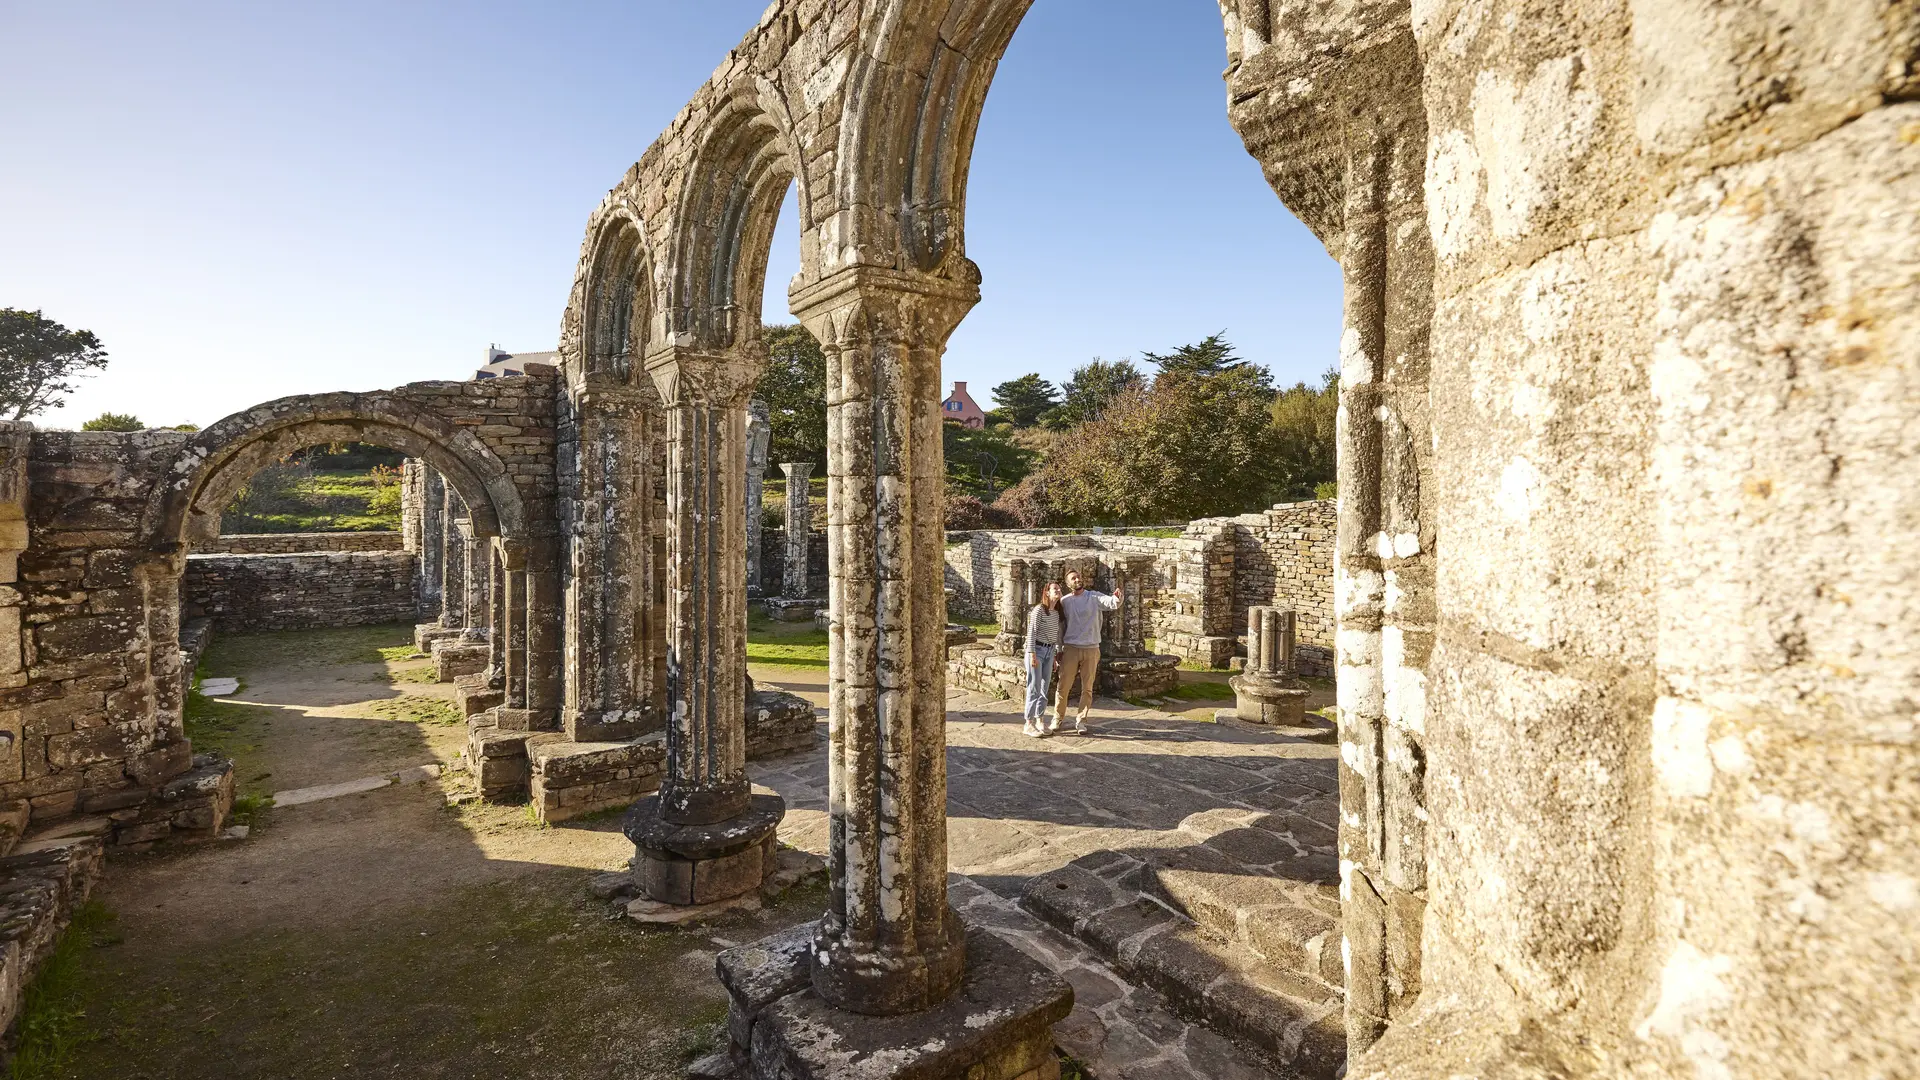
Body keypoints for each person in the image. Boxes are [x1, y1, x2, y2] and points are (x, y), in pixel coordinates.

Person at [1053, 569, 1122, 735]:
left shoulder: (1093, 597)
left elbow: (1112, 603)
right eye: (1073, 578)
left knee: (1087, 688)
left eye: (1078, 577)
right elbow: (1060, 628)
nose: (1077, 580)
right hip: (1071, 648)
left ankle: (1081, 721)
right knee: (1063, 686)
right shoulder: (1064, 602)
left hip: (1091, 648)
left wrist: (1118, 597)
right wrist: (1059, 649)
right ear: (1068, 584)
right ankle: (1057, 718)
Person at [1021, 582, 1063, 738]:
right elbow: (1031, 632)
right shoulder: (1039, 610)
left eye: (1059, 589)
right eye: (1055, 589)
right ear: (1047, 593)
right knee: (1034, 687)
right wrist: (1031, 654)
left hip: (1049, 652)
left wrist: (1054, 656)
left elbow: (1055, 637)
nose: (1058, 591)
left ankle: (1040, 720)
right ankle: (1028, 723)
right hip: (1036, 651)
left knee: (1044, 689)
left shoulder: (1056, 613)